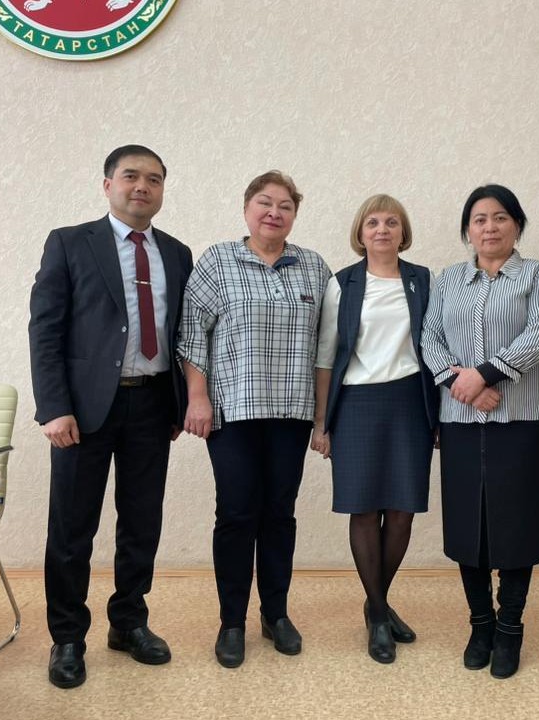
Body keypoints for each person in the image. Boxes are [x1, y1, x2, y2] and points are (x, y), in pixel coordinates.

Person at [29, 144, 193, 689]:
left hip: (153, 404)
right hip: (82, 410)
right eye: (130, 176)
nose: (142, 186)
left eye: (154, 179)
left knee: (142, 522)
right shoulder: (70, 242)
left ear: (163, 190)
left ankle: (128, 622)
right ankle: (67, 637)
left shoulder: (177, 253)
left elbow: (182, 332)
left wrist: (180, 400)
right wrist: (54, 407)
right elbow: (45, 329)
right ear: (108, 185)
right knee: (72, 529)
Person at [179, 170, 331, 669]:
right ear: (247, 209)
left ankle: (275, 614)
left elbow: (328, 345)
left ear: (295, 215)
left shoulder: (313, 267)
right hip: (232, 411)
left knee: (279, 514)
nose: (274, 212)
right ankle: (231, 622)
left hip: (291, 412)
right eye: (265, 202)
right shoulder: (219, 261)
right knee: (237, 513)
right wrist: (197, 398)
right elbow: (191, 334)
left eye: (285, 205)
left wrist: (323, 418)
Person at [421, 184, 539, 680]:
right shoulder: (448, 279)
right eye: (479, 219)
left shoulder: (537, 276)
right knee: (469, 525)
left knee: (517, 525)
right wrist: (464, 386)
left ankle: (510, 628)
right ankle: (480, 624)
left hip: (522, 420)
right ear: (468, 230)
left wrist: (484, 375)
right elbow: (430, 338)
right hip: (461, 420)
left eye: (500, 217)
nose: (490, 227)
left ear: (517, 225)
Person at [310, 194, 438, 664]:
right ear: (360, 233)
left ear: (403, 233)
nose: (382, 230)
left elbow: (437, 345)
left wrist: (439, 415)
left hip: (410, 402)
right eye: (372, 223)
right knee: (363, 509)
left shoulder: (423, 280)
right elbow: (327, 356)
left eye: (391, 222)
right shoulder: (342, 283)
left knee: (402, 510)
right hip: (357, 404)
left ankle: (376, 606)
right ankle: (380, 616)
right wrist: (321, 423)